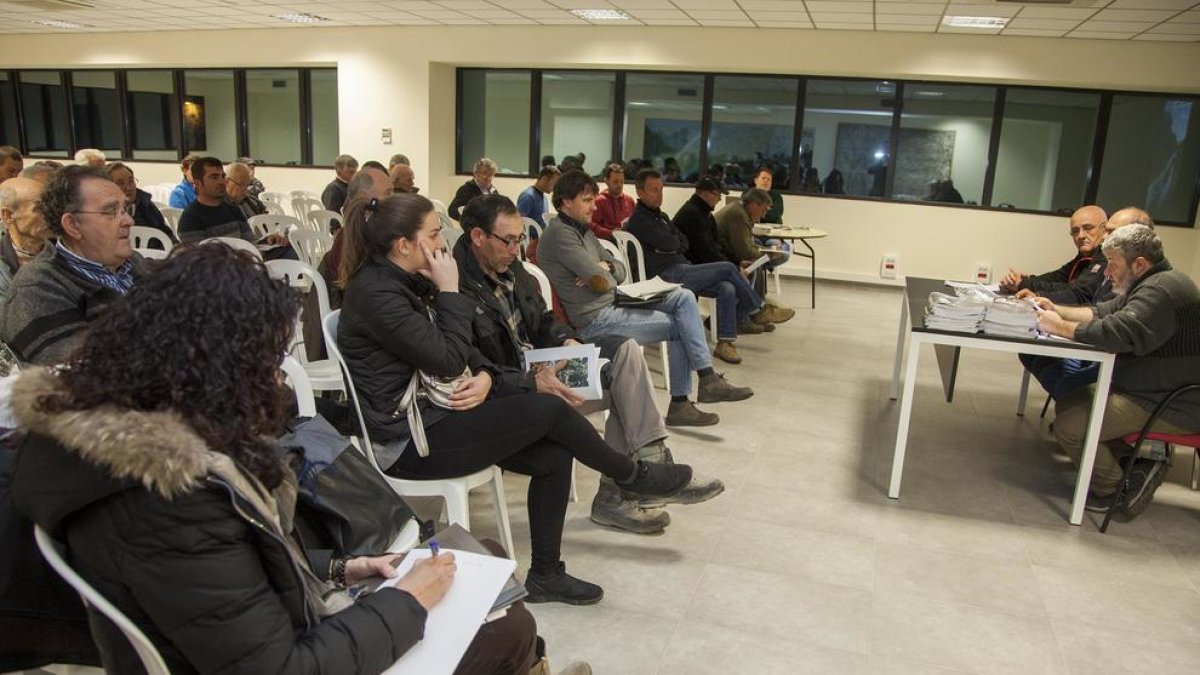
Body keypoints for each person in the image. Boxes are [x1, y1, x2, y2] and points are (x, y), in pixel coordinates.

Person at [7, 243, 551, 674]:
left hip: (259, 633)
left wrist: (340, 567)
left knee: (481, 561)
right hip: (280, 656)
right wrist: (406, 602)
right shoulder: (165, 496)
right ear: (210, 364)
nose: (275, 378)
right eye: (266, 360)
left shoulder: (145, 442)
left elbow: (219, 580)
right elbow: (275, 663)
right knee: (505, 628)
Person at [336, 192, 695, 605]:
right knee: (548, 408)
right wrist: (450, 290)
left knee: (554, 453)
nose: (440, 243)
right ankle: (632, 476)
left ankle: (547, 574)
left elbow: (464, 354)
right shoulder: (379, 295)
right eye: (434, 234)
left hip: (441, 414)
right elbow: (450, 358)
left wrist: (488, 375)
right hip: (410, 442)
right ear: (403, 245)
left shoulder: (403, 282)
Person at [455, 194, 725, 534]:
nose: (515, 249)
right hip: (512, 389)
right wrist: (531, 377)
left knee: (625, 352)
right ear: (478, 237)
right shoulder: (455, 288)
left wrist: (566, 339)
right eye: (508, 241)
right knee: (626, 394)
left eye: (519, 240)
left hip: (543, 367)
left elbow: (544, 321)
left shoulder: (514, 270)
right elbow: (475, 363)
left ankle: (650, 461)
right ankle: (621, 492)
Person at [537, 170, 753, 417]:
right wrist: (601, 271)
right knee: (678, 325)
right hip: (594, 319)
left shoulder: (582, 230)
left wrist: (603, 267)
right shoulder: (561, 234)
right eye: (587, 200)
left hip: (613, 302)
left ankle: (707, 378)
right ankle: (683, 401)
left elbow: (618, 269)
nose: (594, 207)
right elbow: (602, 282)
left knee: (683, 297)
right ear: (565, 201)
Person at [1034, 225, 1200, 520]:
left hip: (1170, 403)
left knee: (1069, 428)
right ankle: (1135, 464)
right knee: (1070, 401)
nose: (1106, 272)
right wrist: (1056, 310)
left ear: (1138, 264)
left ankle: (1115, 489)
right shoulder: (1150, 283)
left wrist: (1059, 327)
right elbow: (1102, 312)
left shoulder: (1162, 289)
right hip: (1147, 391)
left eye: (1112, 263)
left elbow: (1115, 333)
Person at [624, 170, 792, 364]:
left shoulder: (660, 216)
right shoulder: (640, 219)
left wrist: (671, 244)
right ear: (640, 192)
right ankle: (758, 309)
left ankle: (725, 343)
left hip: (681, 268)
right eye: (654, 190)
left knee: (726, 288)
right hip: (664, 276)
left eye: (661, 190)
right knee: (728, 269)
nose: (659, 195)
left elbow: (681, 242)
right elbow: (671, 243)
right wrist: (671, 244)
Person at [0, 166, 145, 365]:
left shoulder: (134, 263)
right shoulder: (37, 288)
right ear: (73, 225)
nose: (129, 220)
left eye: (126, 209)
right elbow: (83, 373)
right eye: (111, 211)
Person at [176, 157, 294, 260]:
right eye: (214, 177)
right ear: (198, 183)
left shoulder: (233, 210)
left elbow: (250, 243)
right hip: (220, 275)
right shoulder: (190, 218)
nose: (221, 182)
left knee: (290, 250)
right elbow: (200, 260)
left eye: (222, 176)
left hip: (246, 263)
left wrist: (268, 241)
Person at [1001, 205, 1108, 300]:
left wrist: (1024, 285)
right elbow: (1057, 277)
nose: (1080, 236)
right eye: (1075, 231)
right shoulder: (1084, 255)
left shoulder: (1107, 255)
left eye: (1088, 228)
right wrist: (1025, 280)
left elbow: (1078, 291)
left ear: (1104, 229)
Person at [715, 188, 787, 296]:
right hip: (718, 258)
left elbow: (746, 245)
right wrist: (769, 255)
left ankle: (758, 306)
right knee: (755, 262)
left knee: (757, 261)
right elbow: (744, 252)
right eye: (764, 210)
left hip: (723, 253)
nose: (763, 216)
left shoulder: (739, 210)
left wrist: (765, 254)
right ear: (753, 204)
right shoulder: (739, 215)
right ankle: (756, 308)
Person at [104, 162, 177, 246]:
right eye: (120, 183)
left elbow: (167, 235)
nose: (128, 187)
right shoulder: (103, 215)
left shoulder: (147, 205)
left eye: (131, 181)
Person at [0, 178, 50, 299]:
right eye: (39, 208)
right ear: (9, 215)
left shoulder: (67, 252)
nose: (50, 214)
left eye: (51, 206)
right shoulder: (3, 264)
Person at [589, 163, 634, 241]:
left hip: (628, 241)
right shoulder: (599, 201)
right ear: (606, 181)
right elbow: (591, 225)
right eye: (615, 182)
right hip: (607, 243)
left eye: (621, 181)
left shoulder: (629, 200)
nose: (619, 185)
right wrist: (610, 233)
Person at [517, 165, 560, 232]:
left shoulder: (544, 197)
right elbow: (520, 222)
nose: (555, 187)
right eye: (554, 183)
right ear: (544, 179)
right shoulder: (528, 196)